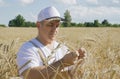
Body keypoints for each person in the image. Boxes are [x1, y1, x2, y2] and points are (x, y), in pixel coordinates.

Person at [17, 6, 85, 79]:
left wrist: (79, 64)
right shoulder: (27, 48)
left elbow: (70, 75)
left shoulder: (63, 49)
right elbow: (29, 75)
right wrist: (61, 63)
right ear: (38, 25)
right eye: (50, 25)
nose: (54, 29)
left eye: (57, 25)